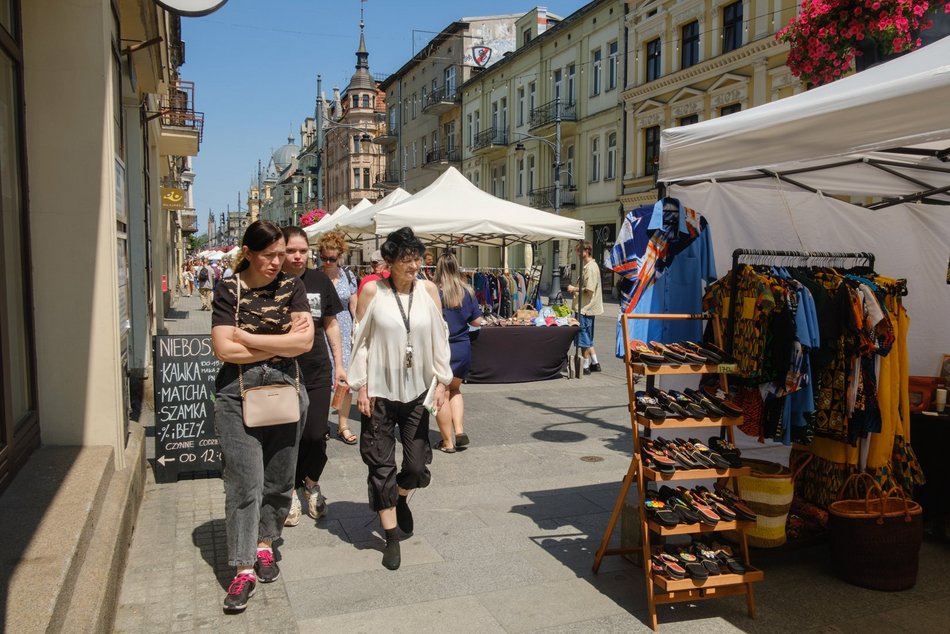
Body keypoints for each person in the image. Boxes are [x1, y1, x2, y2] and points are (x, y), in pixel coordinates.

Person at [210, 220, 314, 613]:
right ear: (249, 253)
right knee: (245, 482)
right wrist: (279, 344)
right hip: (237, 394)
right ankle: (243, 566)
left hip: (286, 392)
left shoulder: (293, 286)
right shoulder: (229, 289)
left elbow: (302, 342)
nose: (278, 262)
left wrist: (249, 338)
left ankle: (265, 543)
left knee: (279, 476)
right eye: (269, 255)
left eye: (281, 254)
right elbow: (224, 350)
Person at [349, 227, 452, 570]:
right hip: (379, 390)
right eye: (406, 259)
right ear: (389, 262)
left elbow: (440, 337)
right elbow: (360, 342)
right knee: (381, 464)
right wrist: (361, 385)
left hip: (417, 390)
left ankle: (402, 495)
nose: (414, 265)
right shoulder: (372, 292)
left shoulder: (428, 290)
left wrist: (441, 381)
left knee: (416, 465)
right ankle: (391, 538)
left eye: (417, 258)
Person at [280, 226, 346, 527]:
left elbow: (331, 324)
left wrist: (340, 364)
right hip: (281, 371)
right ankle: (289, 490)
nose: (297, 256)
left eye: (302, 251)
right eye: (291, 250)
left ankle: (310, 482)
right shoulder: (272, 279)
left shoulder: (319, 280)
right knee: (288, 435)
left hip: (318, 368)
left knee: (316, 433)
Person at [432, 250, 482, 453]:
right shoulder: (467, 291)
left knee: (440, 394)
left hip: (442, 349)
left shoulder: (434, 291)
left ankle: (447, 442)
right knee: (455, 390)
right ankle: (459, 431)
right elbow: (477, 321)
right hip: (462, 347)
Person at [317, 230, 359, 444]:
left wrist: (358, 329)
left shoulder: (348, 276)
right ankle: (321, 423)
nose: (327, 262)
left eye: (332, 258)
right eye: (323, 257)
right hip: (321, 332)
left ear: (340, 256)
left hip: (344, 330)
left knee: (345, 381)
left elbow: (354, 305)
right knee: (323, 380)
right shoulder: (315, 276)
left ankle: (343, 424)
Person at [567, 240, 604, 374]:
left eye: (578, 251)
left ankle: (585, 365)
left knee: (583, 337)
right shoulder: (590, 266)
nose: (577, 254)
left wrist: (573, 289)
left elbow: (589, 290)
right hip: (587, 307)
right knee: (587, 336)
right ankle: (595, 363)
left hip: (585, 307)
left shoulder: (590, 268)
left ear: (586, 251)